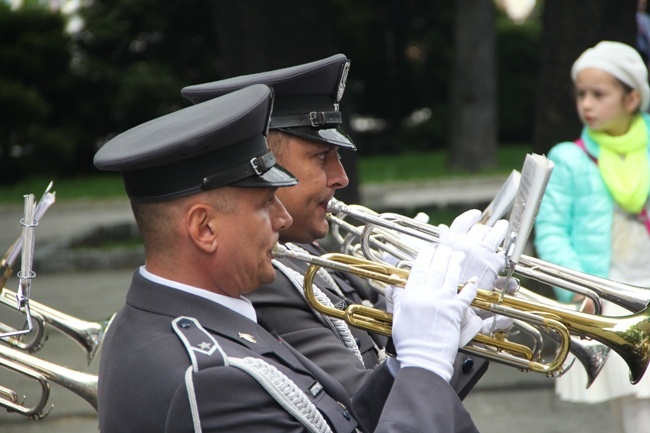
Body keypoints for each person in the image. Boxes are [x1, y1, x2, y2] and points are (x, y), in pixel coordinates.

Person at [95, 83, 485, 432]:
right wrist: (425, 367)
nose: (282, 218)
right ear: (204, 229)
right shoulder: (212, 378)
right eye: (266, 204)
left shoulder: (208, 319)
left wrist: (407, 358)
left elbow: (343, 421)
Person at [181, 54, 511, 397]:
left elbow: (374, 346)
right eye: (322, 157)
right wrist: (450, 324)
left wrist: (425, 297)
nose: (341, 177)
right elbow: (363, 410)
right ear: (264, 165)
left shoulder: (303, 249)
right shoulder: (261, 275)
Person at [534, 40, 650, 433]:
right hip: (609, 298)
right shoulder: (568, 158)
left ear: (632, 98)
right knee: (634, 406)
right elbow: (550, 230)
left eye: (599, 94)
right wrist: (578, 289)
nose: (586, 104)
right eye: (582, 94)